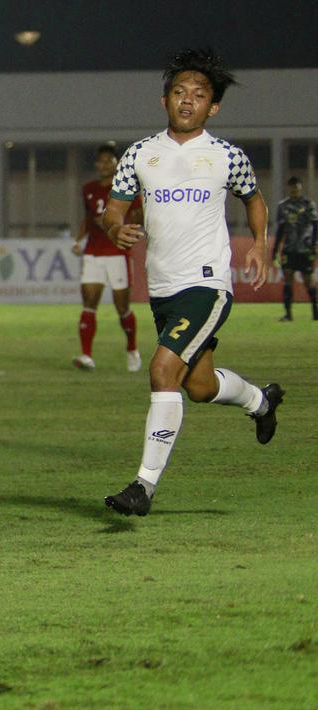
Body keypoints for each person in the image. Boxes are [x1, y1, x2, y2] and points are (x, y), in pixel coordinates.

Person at [101, 48, 284, 517]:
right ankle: (261, 401)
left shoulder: (227, 156)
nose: (187, 100)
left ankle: (143, 486)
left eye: (199, 95)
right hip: (162, 288)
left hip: (207, 284)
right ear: (164, 100)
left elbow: (254, 199)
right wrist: (115, 228)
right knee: (199, 387)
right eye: (179, 92)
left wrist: (260, 243)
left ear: (213, 107)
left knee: (162, 371)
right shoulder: (140, 154)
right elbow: (114, 210)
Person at [72, 144, 143, 372]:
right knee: (89, 304)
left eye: (108, 161)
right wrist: (78, 240)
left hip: (117, 253)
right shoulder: (89, 189)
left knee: (122, 307)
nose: (103, 165)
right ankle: (86, 355)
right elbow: (88, 218)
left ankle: (132, 349)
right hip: (93, 252)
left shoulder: (125, 188)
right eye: (100, 161)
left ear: (116, 164)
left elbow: (139, 214)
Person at [271, 177, 318, 321]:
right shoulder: (283, 206)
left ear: (300, 188)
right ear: (289, 188)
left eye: (296, 187)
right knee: (288, 279)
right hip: (289, 249)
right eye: (292, 187)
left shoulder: (308, 204)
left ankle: (315, 312)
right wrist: (275, 250)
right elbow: (280, 230)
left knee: (308, 281)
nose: (294, 190)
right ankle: (288, 314)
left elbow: (315, 225)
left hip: (305, 248)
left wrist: (314, 244)